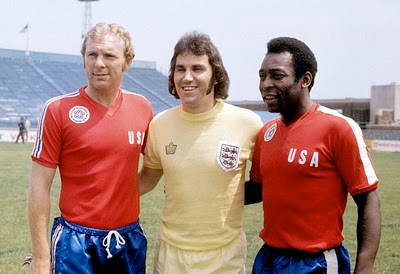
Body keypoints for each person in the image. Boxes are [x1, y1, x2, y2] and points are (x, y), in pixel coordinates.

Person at [246, 37, 381, 273]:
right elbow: (257, 189)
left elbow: (368, 199)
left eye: (277, 76)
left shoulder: (338, 128)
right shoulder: (266, 132)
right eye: (262, 76)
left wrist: (364, 268)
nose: (265, 84)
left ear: (305, 79)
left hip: (316, 262)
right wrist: (200, 192)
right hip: (268, 258)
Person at [27, 23, 153, 274]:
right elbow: (39, 187)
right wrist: (41, 257)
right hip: (75, 242)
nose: (99, 63)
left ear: (127, 62)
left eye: (109, 56)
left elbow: (153, 170)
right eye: (92, 54)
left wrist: (115, 195)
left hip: (128, 239)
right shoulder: (58, 110)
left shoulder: (143, 107)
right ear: (83, 58)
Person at [139, 31, 263, 273]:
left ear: (215, 75)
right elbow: (147, 179)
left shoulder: (248, 123)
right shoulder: (159, 124)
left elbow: (265, 182)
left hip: (224, 256)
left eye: (197, 68)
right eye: (180, 69)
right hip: (171, 255)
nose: (187, 77)